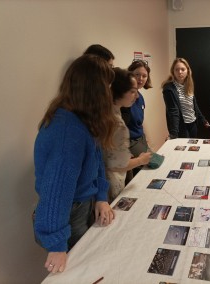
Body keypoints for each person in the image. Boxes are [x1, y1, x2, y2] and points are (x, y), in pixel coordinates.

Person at [33, 55, 116, 273]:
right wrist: (57, 244)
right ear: (95, 90)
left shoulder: (81, 119)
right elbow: (55, 192)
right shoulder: (68, 131)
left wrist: (100, 197)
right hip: (69, 213)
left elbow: (96, 159)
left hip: (83, 204)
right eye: (106, 86)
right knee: (81, 271)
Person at [104, 68, 152, 202]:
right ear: (118, 92)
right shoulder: (117, 123)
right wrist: (140, 160)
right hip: (111, 184)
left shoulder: (107, 113)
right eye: (132, 92)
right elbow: (116, 165)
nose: (136, 96)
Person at [162, 58, 209, 139]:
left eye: (182, 69)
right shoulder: (169, 89)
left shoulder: (189, 85)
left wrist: (203, 120)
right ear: (173, 71)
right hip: (181, 127)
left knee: (192, 148)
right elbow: (173, 111)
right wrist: (173, 133)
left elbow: (193, 105)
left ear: (187, 71)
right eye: (177, 70)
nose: (180, 72)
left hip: (193, 123)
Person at [121, 60, 152, 179]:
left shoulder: (140, 97)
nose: (140, 78)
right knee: (150, 169)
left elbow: (139, 123)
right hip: (130, 143)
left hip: (140, 139)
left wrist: (147, 141)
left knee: (158, 161)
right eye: (137, 74)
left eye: (144, 76)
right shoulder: (125, 97)